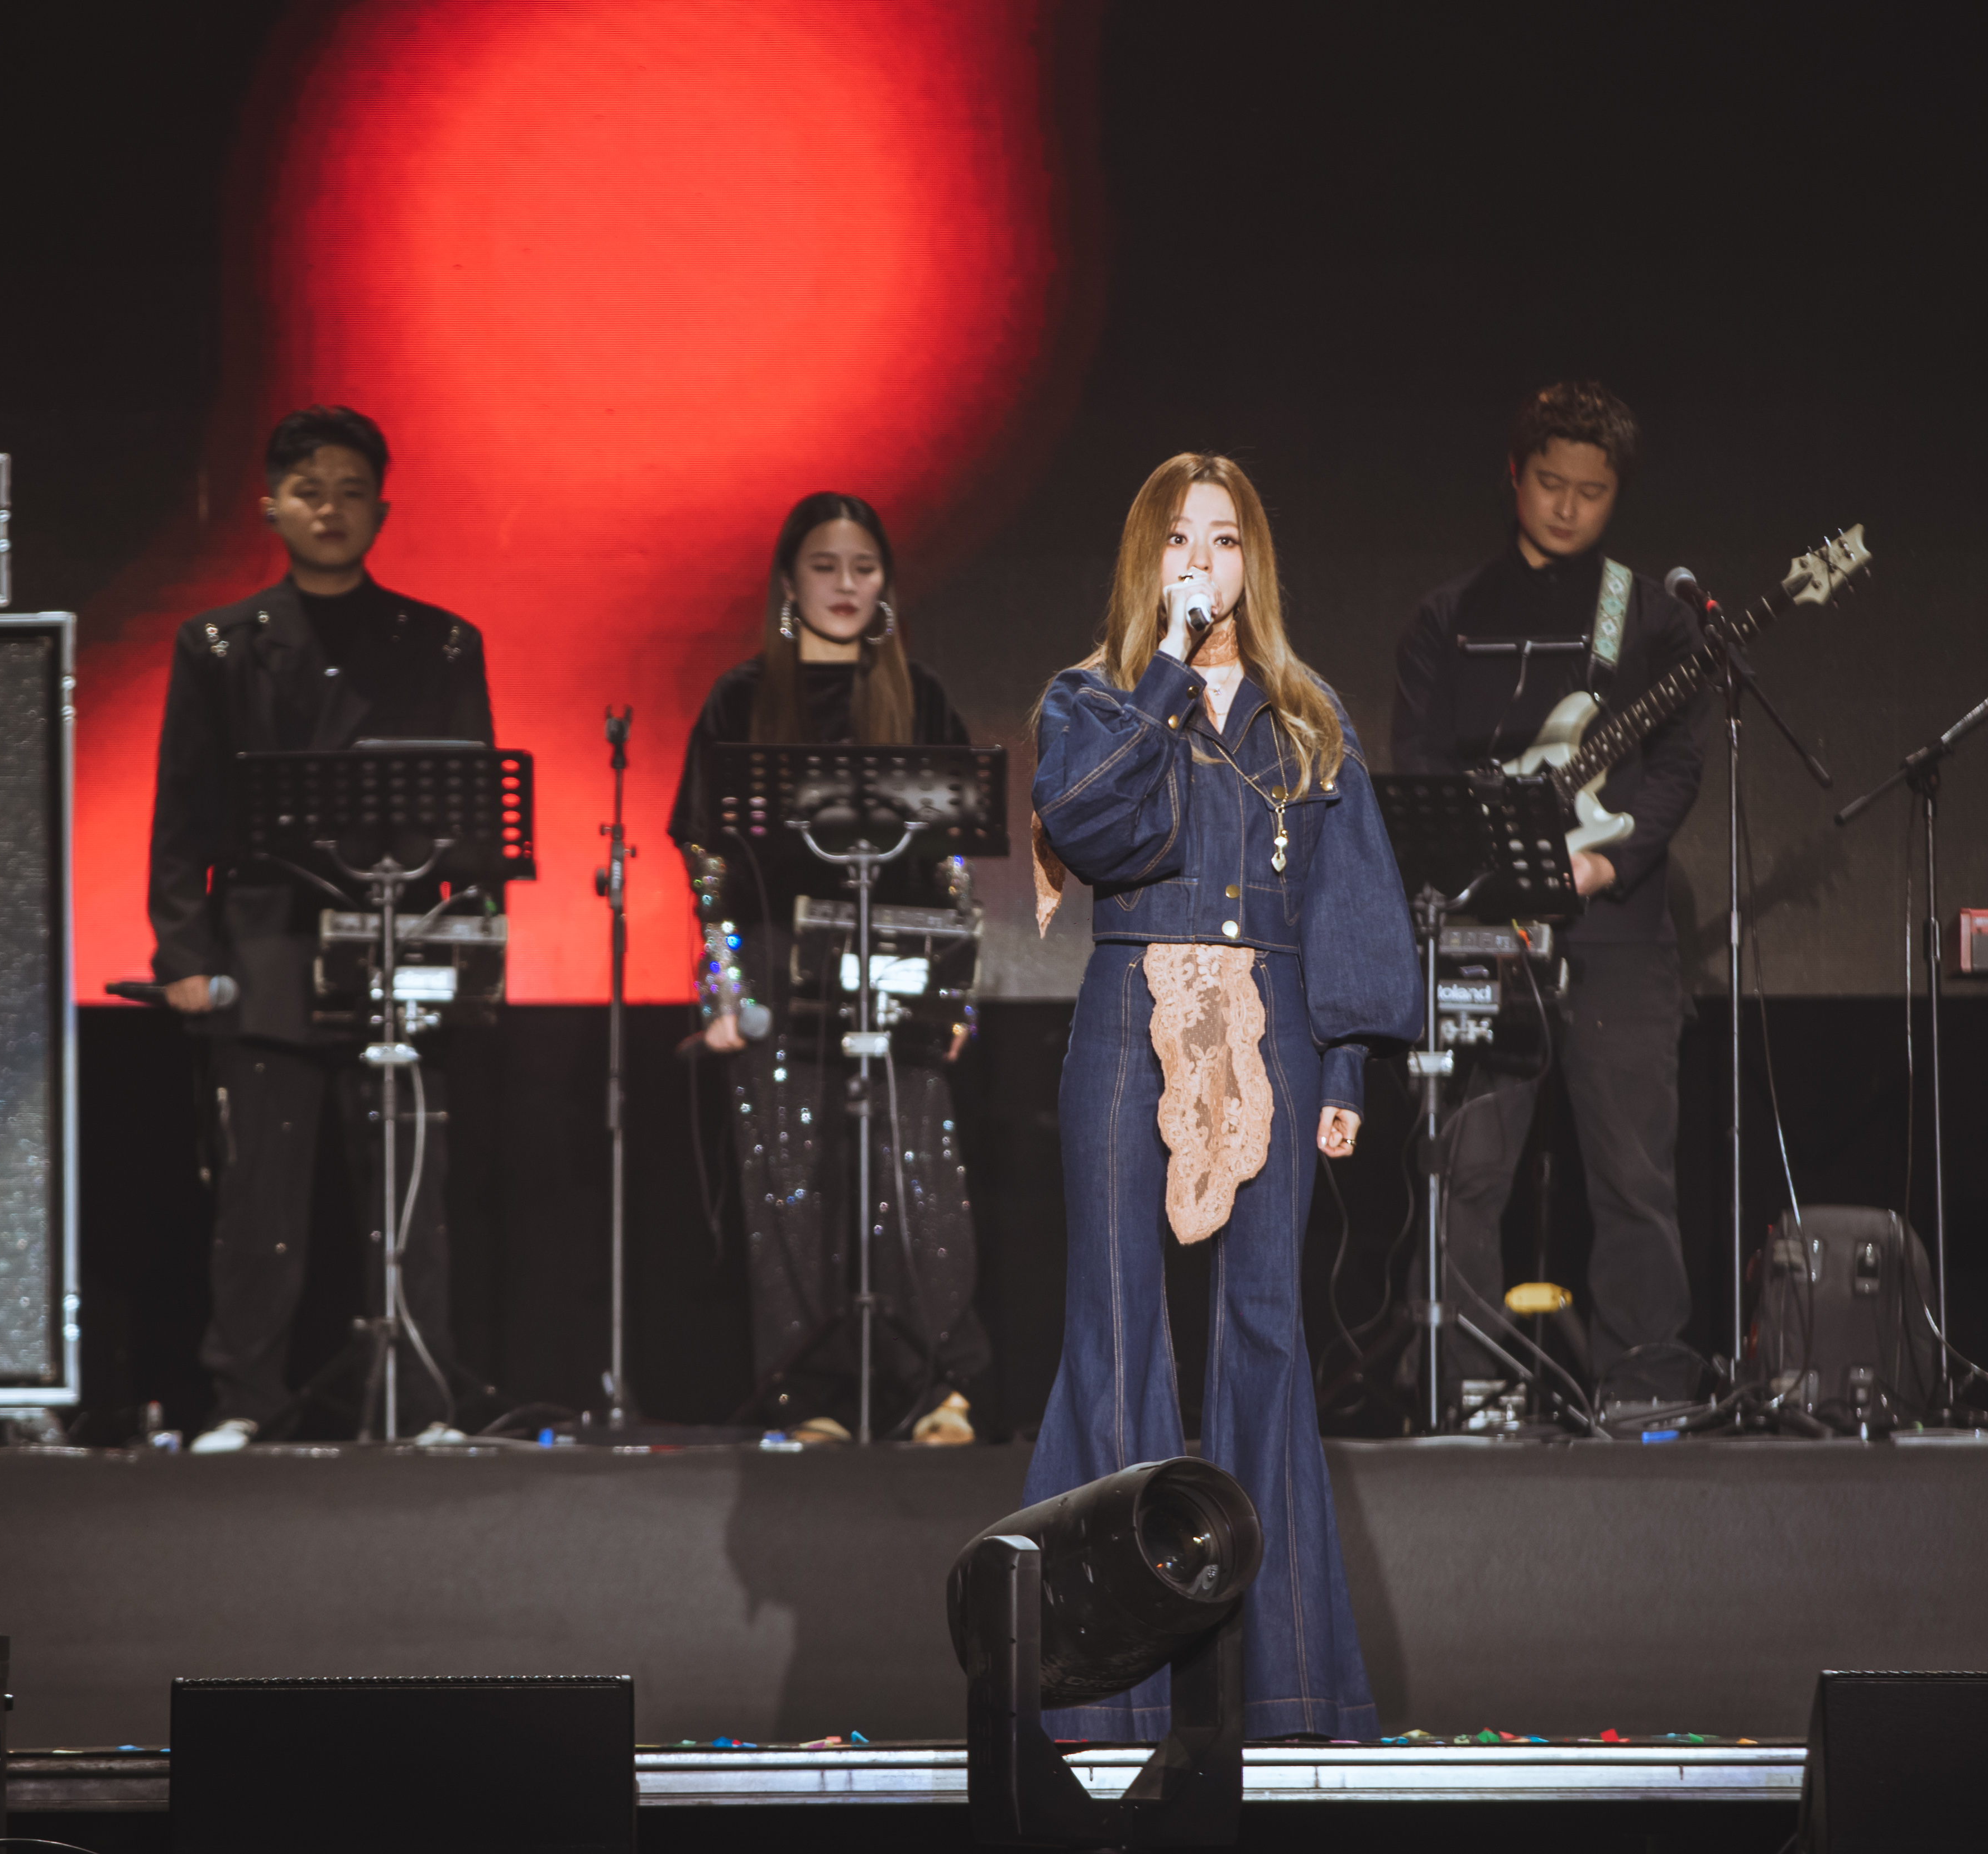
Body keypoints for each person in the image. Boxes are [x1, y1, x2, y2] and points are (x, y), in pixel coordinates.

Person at [1024, 452, 1422, 1740]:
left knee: (1263, 1332)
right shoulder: (1094, 696)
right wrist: (1164, 675)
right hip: (1127, 1012)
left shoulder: (1306, 713)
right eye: (1181, 538)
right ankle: (1103, 1701)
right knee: (1117, 1330)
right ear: (1148, 559)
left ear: (1256, 561)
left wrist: (1345, 1060)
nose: (1205, 560)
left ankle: (1286, 1692)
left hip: (1274, 1020)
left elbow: (1348, 889)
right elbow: (1090, 827)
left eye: (1227, 538)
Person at [147, 405, 494, 1451]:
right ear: (270, 507)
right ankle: (244, 1399)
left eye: (350, 491)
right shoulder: (218, 644)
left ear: (381, 509)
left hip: (403, 946)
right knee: (259, 1196)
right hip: (266, 949)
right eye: (309, 491)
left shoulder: (440, 642)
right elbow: (183, 810)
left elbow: (477, 824)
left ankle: (422, 1402)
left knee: (410, 1192)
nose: (330, 509)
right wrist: (184, 951)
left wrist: (474, 954)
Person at [1390, 381, 1707, 1408]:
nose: (1567, 507)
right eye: (1549, 483)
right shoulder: (1447, 619)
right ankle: (1463, 1385)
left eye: (1592, 490)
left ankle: (1645, 1383)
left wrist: (1610, 863)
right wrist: (1495, 868)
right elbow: (1420, 763)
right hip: (1487, 927)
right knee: (1467, 1166)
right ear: (1513, 477)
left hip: (1617, 927)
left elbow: (1678, 766)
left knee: (1633, 1172)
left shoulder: (1649, 615)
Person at [669, 492, 989, 1444]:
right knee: (787, 1179)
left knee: (917, 1172)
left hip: (895, 959)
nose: (845, 585)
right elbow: (706, 861)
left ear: (884, 580)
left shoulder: (919, 695)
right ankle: (803, 1394)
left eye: (863, 566)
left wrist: (955, 994)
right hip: (775, 967)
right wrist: (725, 985)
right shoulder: (738, 699)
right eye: (824, 566)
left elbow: (953, 862)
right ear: (788, 581)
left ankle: (937, 1387)